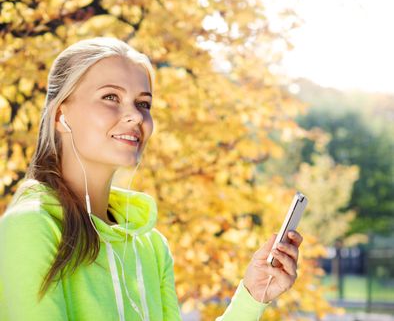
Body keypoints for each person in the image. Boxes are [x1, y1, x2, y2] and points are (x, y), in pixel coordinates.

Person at [0, 37, 303, 320]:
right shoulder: (31, 227)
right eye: (110, 97)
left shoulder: (150, 246)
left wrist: (252, 295)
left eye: (143, 103)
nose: (134, 115)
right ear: (60, 114)